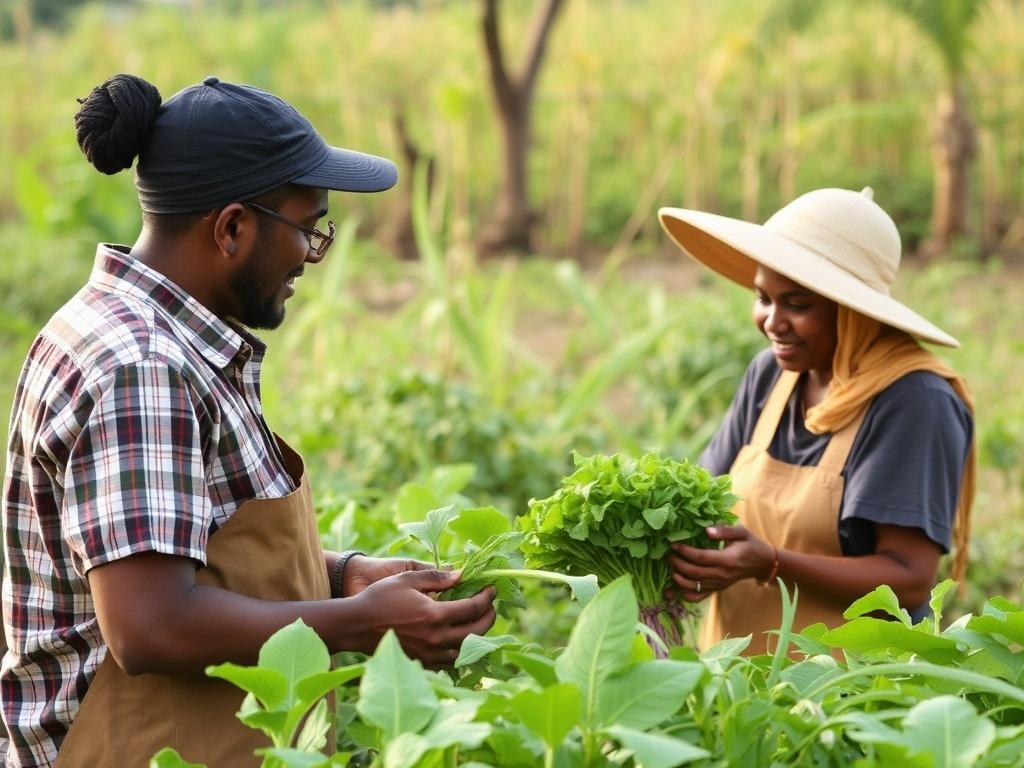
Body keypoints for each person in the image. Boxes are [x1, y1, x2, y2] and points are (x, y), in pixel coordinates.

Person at [0, 74, 496, 768]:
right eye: (307, 228)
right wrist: (363, 622)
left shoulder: (145, 332)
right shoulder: (142, 365)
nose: (311, 254)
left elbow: (177, 547)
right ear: (232, 227)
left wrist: (342, 576)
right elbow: (151, 624)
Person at [658, 187, 975, 654]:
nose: (771, 322)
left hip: (850, 694)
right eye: (763, 297)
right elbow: (706, 499)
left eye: (797, 305)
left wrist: (769, 563)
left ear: (851, 309)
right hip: (735, 684)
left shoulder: (913, 400)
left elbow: (908, 579)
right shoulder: (772, 374)